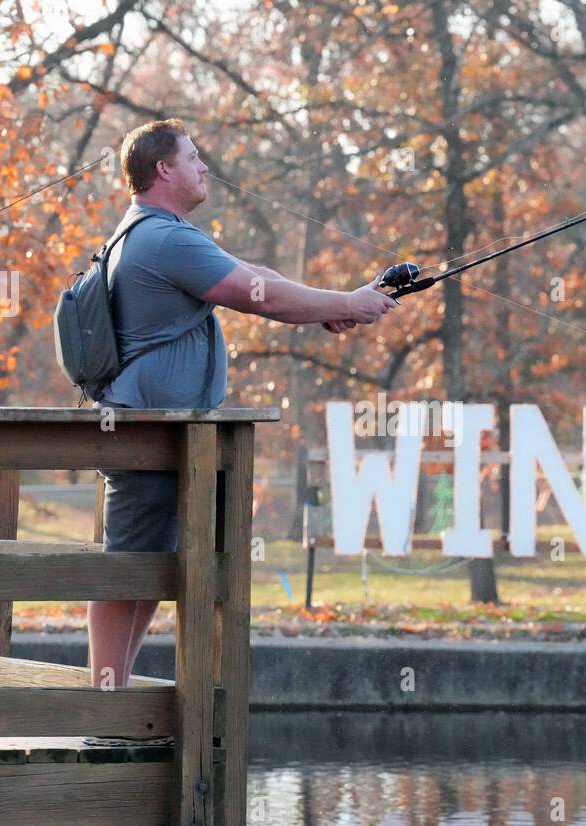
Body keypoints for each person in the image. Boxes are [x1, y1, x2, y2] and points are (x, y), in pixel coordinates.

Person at [87, 118, 395, 697]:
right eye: (193, 157)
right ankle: (106, 705)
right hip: (146, 434)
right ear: (164, 169)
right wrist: (346, 302)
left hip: (166, 437)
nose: (204, 167)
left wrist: (334, 305)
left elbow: (258, 277)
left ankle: (114, 698)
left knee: (147, 569)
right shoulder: (163, 238)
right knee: (127, 566)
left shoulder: (163, 232)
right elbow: (262, 298)